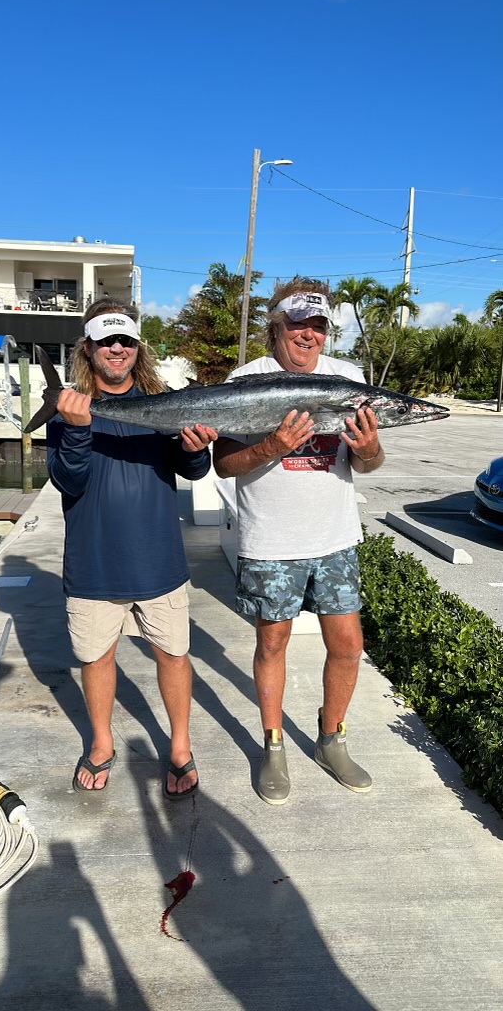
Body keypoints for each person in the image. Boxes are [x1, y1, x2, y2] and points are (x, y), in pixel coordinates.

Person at [213, 278, 384, 805]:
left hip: (335, 538)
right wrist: (273, 445)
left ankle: (331, 739)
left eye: (318, 326)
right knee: (272, 644)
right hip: (271, 539)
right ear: (276, 326)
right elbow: (225, 464)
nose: (308, 335)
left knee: (348, 646)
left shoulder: (348, 380)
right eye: (298, 324)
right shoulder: (246, 380)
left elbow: (368, 464)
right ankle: (273, 745)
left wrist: (369, 448)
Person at [47, 298, 217, 798]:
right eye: (107, 341)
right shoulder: (70, 410)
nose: (117, 348)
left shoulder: (164, 405)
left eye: (125, 340)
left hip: (158, 560)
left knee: (174, 655)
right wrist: (77, 430)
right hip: (94, 564)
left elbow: (193, 470)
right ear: (89, 348)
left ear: (137, 348)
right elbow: (68, 481)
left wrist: (195, 448)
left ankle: (180, 746)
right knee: (96, 658)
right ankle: (101, 742)